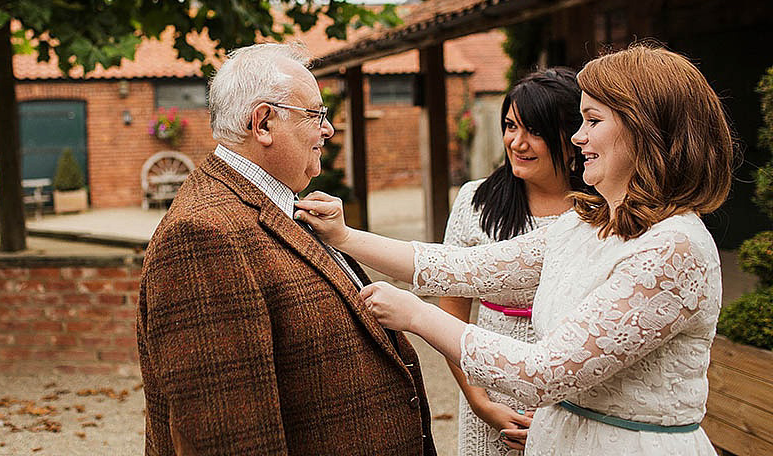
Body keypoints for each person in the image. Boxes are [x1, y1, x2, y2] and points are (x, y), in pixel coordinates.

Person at [296, 44, 733, 456]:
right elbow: (464, 268)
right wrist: (345, 236)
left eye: (592, 121)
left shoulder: (675, 248)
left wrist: (414, 315)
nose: (578, 138)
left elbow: (544, 374)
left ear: (645, 131)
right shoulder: (588, 224)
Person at [137, 43, 436, 456]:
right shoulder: (203, 235)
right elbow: (229, 438)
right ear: (263, 123)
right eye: (316, 115)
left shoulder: (274, 203)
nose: (328, 130)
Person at [440, 68, 585, 456]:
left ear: (574, 138)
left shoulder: (598, 213)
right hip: (488, 394)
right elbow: (451, 313)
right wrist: (480, 402)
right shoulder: (475, 202)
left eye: (534, 131)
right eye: (510, 126)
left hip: (572, 401)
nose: (517, 143)